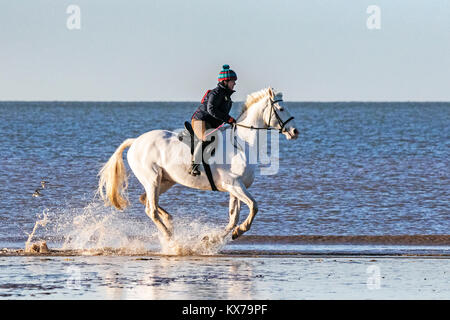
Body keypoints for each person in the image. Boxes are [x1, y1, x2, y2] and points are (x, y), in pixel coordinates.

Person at [189, 64, 237, 176]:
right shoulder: (216, 93)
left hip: (211, 123)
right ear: (225, 81)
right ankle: (193, 165)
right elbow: (211, 109)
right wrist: (228, 119)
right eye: (232, 81)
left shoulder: (226, 95)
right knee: (207, 137)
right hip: (200, 121)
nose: (234, 83)